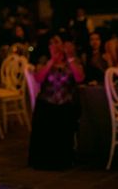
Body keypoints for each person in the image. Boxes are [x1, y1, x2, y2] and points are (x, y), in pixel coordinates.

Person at [28, 34, 84, 170]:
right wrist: (51, 62)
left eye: (57, 42)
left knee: (65, 111)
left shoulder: (72, 61)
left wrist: (69, 59)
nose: (54, 45)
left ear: (63, 44)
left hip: (65, 104)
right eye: (51, 43)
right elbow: (38, 78)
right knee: (45, 109)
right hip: (47, 103)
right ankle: (44, 159)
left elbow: (80, 78)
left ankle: (63, 159)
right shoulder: (44, 61)